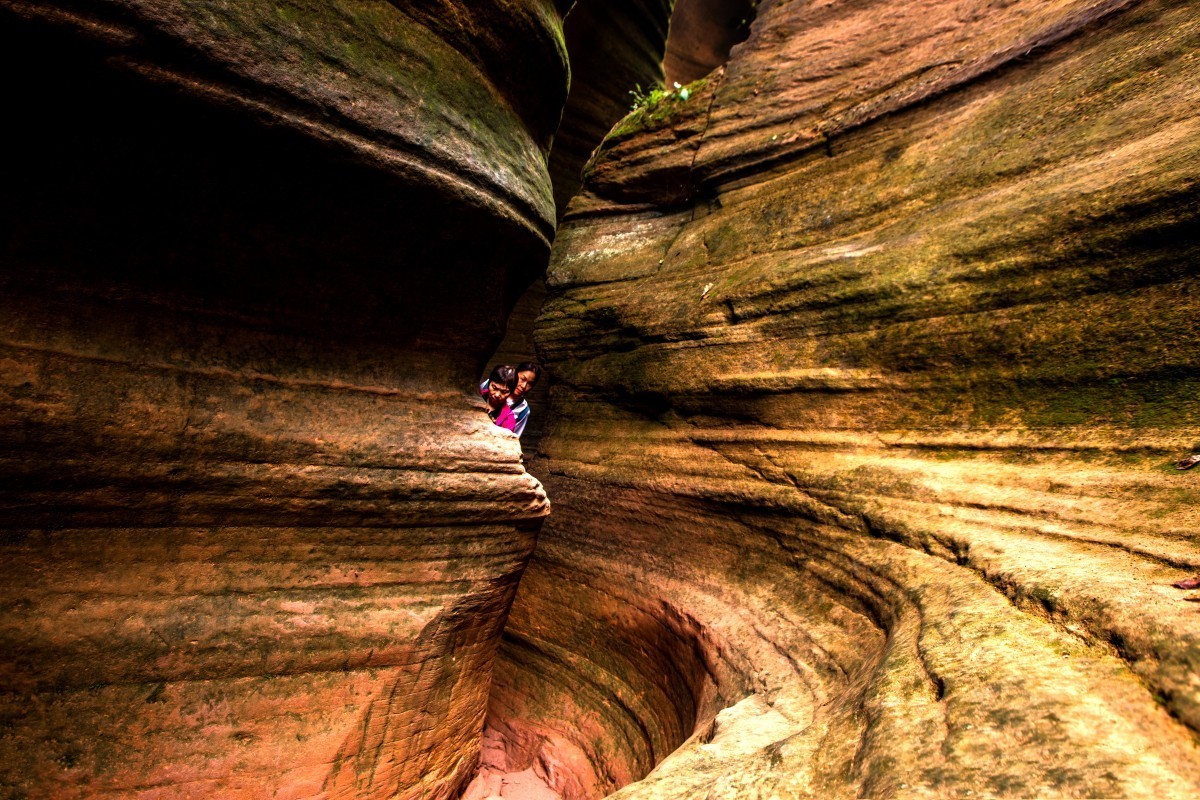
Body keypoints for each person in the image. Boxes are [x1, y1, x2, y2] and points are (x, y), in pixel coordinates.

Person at [481, 365, 518, 432]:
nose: (497, 395)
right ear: (489, 382)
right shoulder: (476, 396)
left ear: (511, 392)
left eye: (504, 392)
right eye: (494, 388)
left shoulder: (509, 420)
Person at [508, 362, 541, 438]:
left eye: (529, 384)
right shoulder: (493, 385)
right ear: (515, 373)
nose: (524, 386)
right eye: (522, 379)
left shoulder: (523, 410)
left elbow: (514, 438)